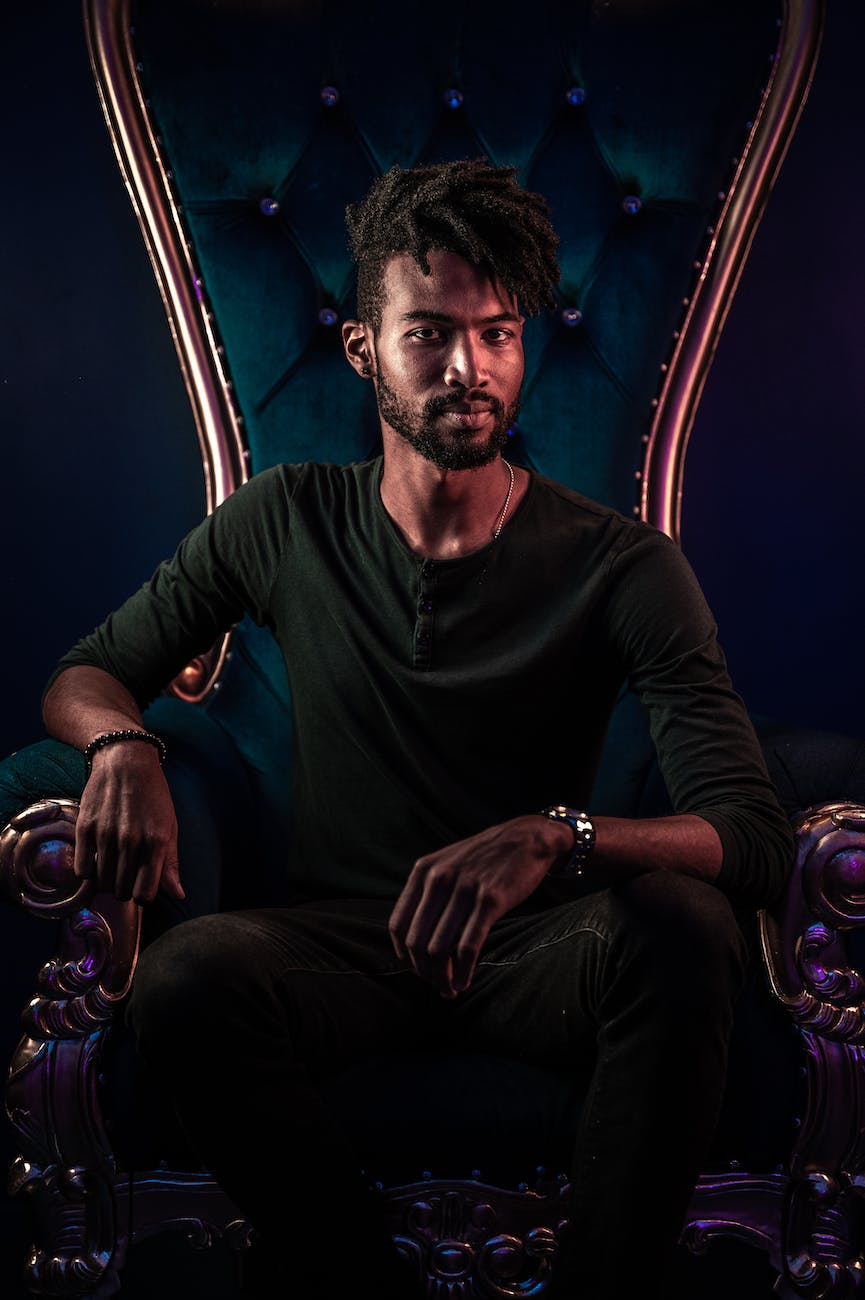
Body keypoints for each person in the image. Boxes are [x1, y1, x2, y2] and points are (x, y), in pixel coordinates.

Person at [41, 159, 793, 1299]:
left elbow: (749, 833)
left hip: (545, 951)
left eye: (497, 334)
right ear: (363, 351)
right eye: (430, 335)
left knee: (686, 926)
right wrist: (123, 744)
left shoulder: (622, 564)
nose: (469, 368)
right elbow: (87, 673)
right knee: (187, 979)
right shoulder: (283, 517)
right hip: (347, 944)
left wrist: (558, 835)